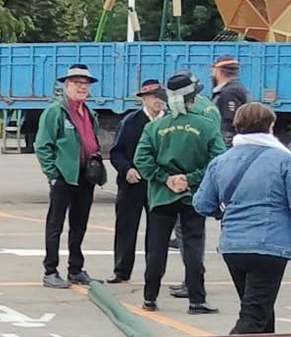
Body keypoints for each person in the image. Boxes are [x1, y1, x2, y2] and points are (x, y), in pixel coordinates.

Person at [193, 103, 291, 337]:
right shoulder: (283, 160)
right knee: (254, 315)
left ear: (237, 128)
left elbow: (202, 204)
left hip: (233, 247)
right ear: (270, 128)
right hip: (270, 246)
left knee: (261, 311)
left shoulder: (221, 162)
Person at [136, 71, 225, 314]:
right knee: (193, 247)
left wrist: (165, 178)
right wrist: (191, 178)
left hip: (161, 196)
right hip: (193, 196)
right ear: (193, 97)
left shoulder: (155, 127)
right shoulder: (206, 126)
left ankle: (150, 297)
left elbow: (141, 159)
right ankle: (196, 300)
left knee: (156, 248)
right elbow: (219, 160)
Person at [34, 63, 103, 289]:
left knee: (79, 224)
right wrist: (53, 173)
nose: (82, 87)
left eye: (85, 84)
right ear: (66, 85)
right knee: (56, 224)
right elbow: (43, 145)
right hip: (64, 176)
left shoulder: (89, 112)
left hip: (85, 176)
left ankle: (75, 269)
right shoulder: (55, 111)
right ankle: (50, 270)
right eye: (77, 83)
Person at [105, 79, 166, 285]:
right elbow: (116, 152)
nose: (158, 101)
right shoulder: (131, 122)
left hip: (159, 184)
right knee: (126, 227)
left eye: (161, 96)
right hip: (132, 183)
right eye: (154, 97)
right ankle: (122, 270)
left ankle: (154, 273)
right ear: (144, 99)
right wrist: (127, 169)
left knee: (158, 230)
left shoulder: (170, 122)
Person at [210, 55, 250, 141]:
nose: (211, 73)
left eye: (213, 70)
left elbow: (228, 127)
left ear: (219, 71)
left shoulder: (228, 92)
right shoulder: (236, 88)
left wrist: (225, 151)